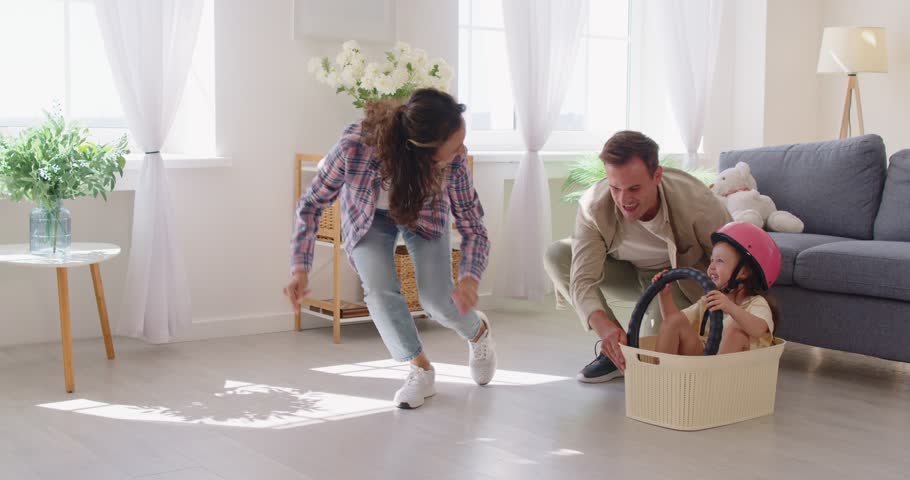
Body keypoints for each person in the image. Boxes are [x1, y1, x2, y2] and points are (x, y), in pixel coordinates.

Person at [284, 88, 496, 409]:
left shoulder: (452, 164)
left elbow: (472, 223)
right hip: (368, 217)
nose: (462, 150)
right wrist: (300, 268)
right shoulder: (355, 147)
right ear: (422, 150)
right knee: (380, 290)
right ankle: (419, 369)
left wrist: (470, 278)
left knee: (438, 301)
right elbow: (312, 203)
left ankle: (477, 332)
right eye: (455, 147)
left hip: (424, 214)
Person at [543, 131, 731, 382]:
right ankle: (615, 350)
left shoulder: (698, 202)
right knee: (557, 254)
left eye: (634, 188)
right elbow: (582, 279)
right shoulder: (593, 207)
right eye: (615, 188)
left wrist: (733, 321)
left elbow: (734, 260)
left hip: (678, 283)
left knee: (654, 358)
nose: (624, 200)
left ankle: (637, 348)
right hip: (629, 274)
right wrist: (605, 328)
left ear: (657, 176)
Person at [652, 221, 782, 355]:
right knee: (675, 321)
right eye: (711, 260)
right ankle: (660, 374)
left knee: (736, 332)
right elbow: (672, 323)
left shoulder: (756, 303)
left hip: (733, 371)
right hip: (704, 365)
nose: (711, 267)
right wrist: (664, 295)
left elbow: (759, 329)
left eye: (720, 261)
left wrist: (730, 307)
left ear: (743, 272)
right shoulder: (709, 300)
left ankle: (714, 375)